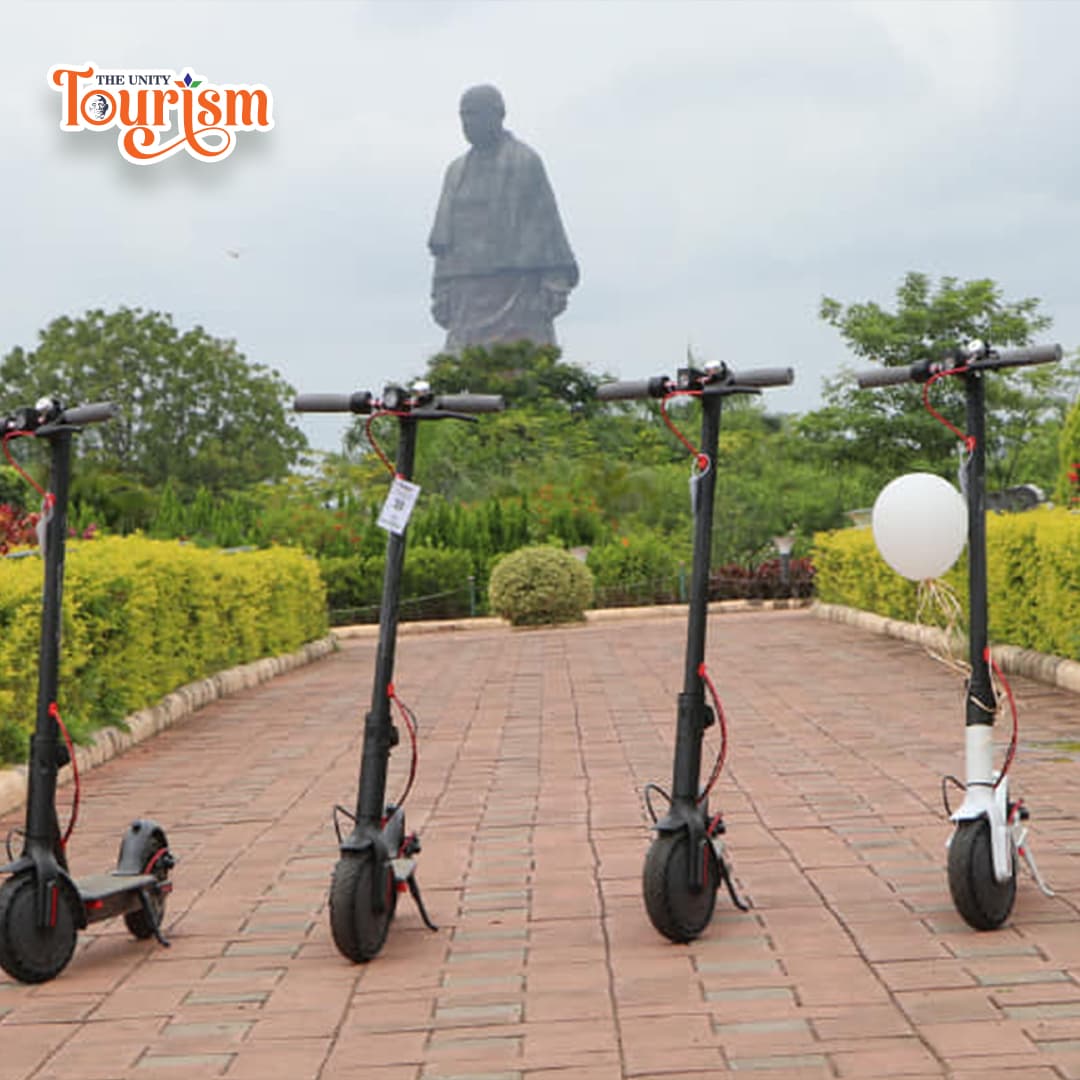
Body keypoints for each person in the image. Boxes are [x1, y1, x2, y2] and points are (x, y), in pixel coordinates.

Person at [428, 85, 579, 351]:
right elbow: (444, 241)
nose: (467, 123)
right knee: (461, 365)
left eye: (474, 114)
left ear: (498, 114)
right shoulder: (456, 171)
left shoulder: (525, 161)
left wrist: (554, 279)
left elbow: (547, 227)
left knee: (521, 359)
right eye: (463, 115)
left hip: (517, 288)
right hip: (466, 292)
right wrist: (441, 288)